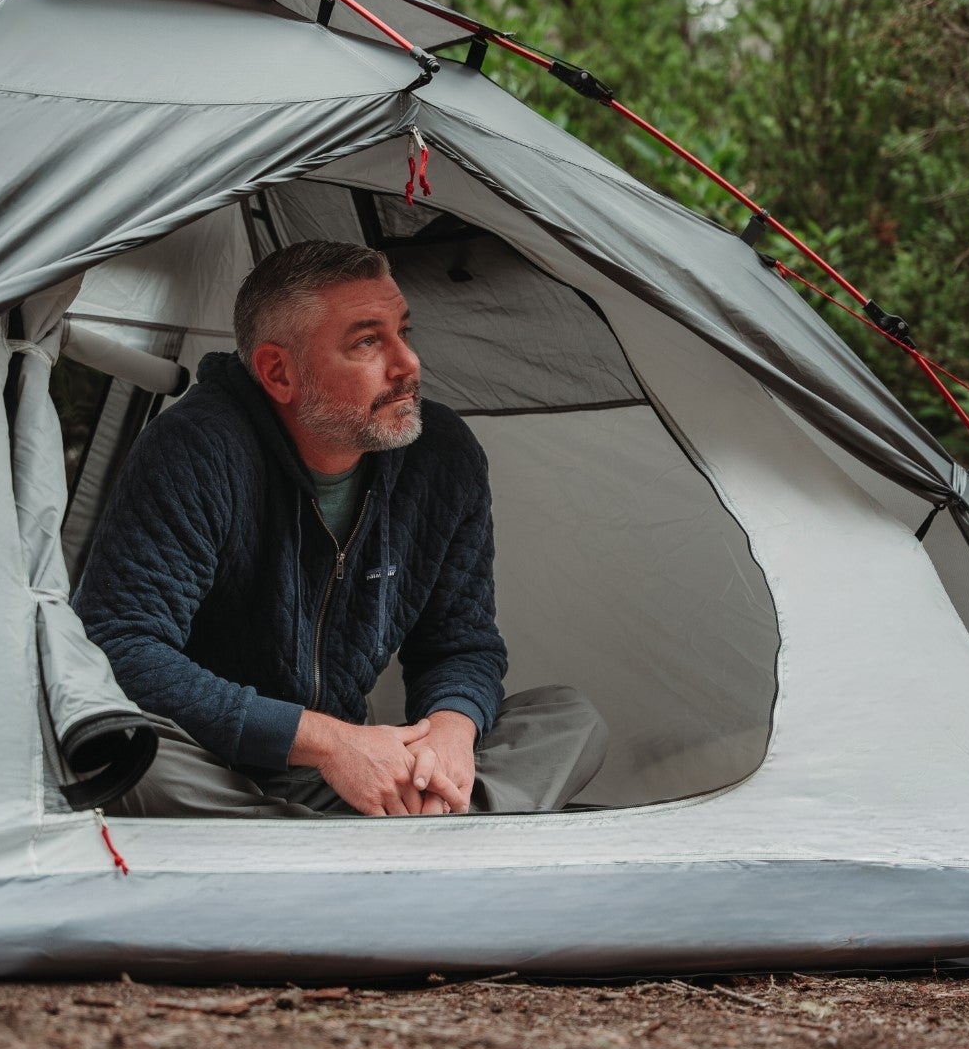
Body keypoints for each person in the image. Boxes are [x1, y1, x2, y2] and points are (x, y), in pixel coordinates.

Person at [74, 240, 607, 817]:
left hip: (351, 771)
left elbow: (462, 643)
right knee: (126, 759)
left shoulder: (443, 458)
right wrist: (329, 743)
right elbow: (121, 646)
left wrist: (451, 731)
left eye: (404, 331)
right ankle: (431, 831)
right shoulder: (196, 450)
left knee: (569, 719)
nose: (408, 364)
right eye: (367, 341)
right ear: (279, 372)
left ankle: (389, 824)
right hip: (213, 761)